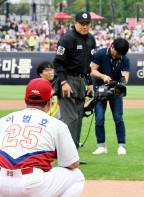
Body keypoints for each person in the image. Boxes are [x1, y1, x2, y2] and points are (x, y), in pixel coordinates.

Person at [53, 11, 96, 165]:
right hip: (67, 78)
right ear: (75, 23)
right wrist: (63, 83)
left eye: (87, 24)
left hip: (81, 79)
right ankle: (65, 158)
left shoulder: (91, 39)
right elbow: (57, 62)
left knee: (78, 118)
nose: (84, 26)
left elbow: (88, 63)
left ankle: (73, 157)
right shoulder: (67, 38)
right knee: (70, 119)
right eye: (81, 23)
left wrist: (89, 82)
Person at [90, 37, 130, 155]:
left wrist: (120, 83)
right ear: (112, 47)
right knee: (99, 119)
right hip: (100, 90)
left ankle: (121, 146)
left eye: (121, 55)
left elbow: (125, 77)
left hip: (116, 92)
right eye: (117, 54)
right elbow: (92, 70)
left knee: (118, 118)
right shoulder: (101, 53)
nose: (119, 56)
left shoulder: (125, 59)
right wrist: (103, 77)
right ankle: (101, 146)